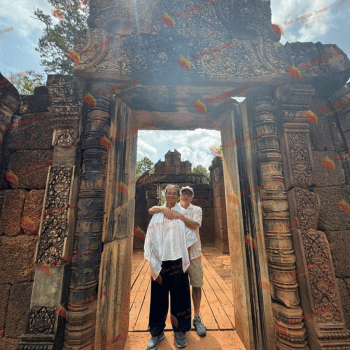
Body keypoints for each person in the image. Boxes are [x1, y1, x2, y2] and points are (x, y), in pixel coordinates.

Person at [144, 184, 197, 350]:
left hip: (178, 260)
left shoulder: (182, 214)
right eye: (169, 193)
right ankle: (156, 332)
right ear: (165, 194)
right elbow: (151, 239)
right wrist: (152, 263)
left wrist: (186, 261)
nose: (172, 195)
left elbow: (189, 237)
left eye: (175, 193)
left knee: (180, 296)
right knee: (158, 298)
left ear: (178, 195)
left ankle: (179, 330)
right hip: (160, 262)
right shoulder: (157, 215)